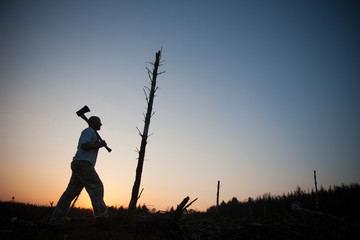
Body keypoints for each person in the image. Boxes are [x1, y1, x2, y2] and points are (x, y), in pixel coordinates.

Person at [49, 116, 108, 224]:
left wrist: (98, 144)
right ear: (93, 122)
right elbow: (84, 145)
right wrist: (100, 144)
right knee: (96, 186)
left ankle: (56, 219)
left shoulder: (92, 133)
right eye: (99, 122)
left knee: (70, 193)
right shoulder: (89, 131)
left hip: (80, 164)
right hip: (83, 163)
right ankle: (101, 217)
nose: (101, 124)